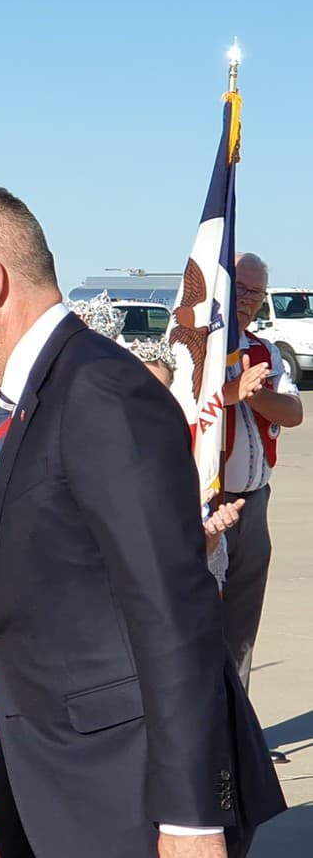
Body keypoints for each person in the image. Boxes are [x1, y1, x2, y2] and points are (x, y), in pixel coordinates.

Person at [0, 187, 285, 858]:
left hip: (127, 796)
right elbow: (11, 596)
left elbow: (173, 607)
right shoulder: (33, 394)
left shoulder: (100, 390)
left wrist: (191, 817)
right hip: (58, 783)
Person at [220, 252, 303, 690]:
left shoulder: (264, 351)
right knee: (195, 618)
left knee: (242, 621)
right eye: (241, 289)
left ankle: (238, 727)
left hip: (253, 503)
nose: (248, 299)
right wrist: (231, 391)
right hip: (205, 505)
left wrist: (253, 394)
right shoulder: (193, 350)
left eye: (257, 292)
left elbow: (292, 412)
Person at [127, 338, 244, 591]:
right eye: (144, 386)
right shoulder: (95, 443)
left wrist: (211, 534)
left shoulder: (175, 447)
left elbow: (194, 552)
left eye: (162, 389)